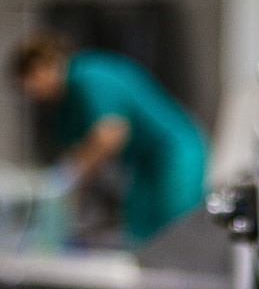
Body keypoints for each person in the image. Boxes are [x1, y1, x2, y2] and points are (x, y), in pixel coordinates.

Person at [11, 33, 209, 246]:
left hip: (175, 153)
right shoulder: (64, 104)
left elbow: (111, 134)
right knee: (140, 230)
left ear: (40, 69)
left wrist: (68, 174)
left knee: (177, 229)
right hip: (143, 163)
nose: (33, 95)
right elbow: (81, 152)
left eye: (30, 85)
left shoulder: (89, 75)